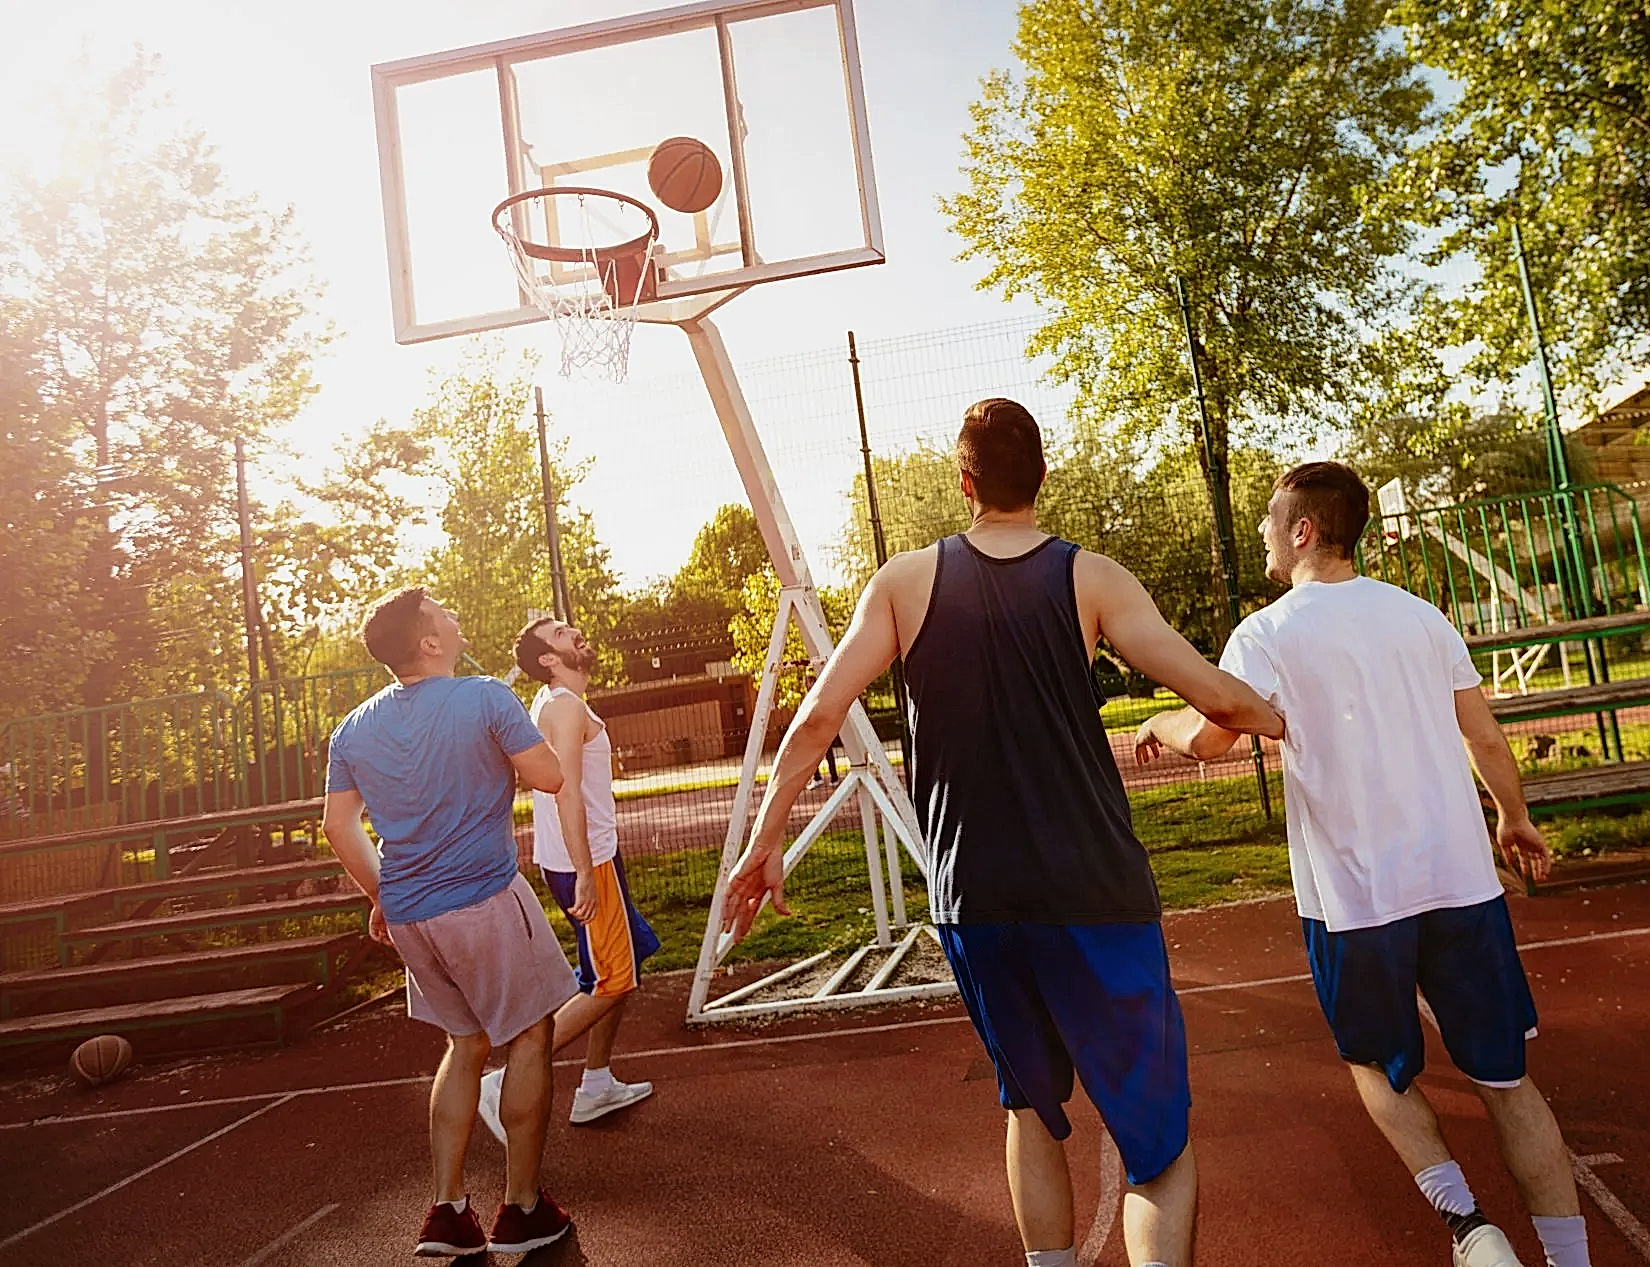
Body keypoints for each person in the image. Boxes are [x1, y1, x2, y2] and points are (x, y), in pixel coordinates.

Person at [720, 398, 1284, 1267]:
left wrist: (765, 839)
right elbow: (1217, 697)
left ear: (964, 481)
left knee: (1028, 1109)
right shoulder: (1092, 578)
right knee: (1159, 1149)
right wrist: (1285, 718)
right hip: (1095, 892)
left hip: (976, 898)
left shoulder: (903, 582)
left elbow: (819, 716)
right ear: (1042, 477)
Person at [1135, 462, 1590, 1267]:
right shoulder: (1422, 617)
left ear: (1304, 529)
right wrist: (1513, 815)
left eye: (1273, 517)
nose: (1265, 531)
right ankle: (1569, 1259)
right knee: (1507, 1080)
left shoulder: (1267, 632)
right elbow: (1484, 737)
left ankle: (1471, 1229)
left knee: (1377, 1066)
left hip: (1355, 900)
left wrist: (1159, 724)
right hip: (1460, 883)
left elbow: (1212, 737)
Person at [321, 588, 578, 1258]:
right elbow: (549, 776)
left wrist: (382, 893)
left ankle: (448, 1211)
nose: (456, 616)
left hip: (412, 916)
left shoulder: (352, 729)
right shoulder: (486, 696)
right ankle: (523, 1209)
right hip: (484, 900)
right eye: (444, 613)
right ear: (430, 642)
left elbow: (338, 826)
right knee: (529, 1035)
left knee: (464, 1043)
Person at [474, 616, 661, 1140]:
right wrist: (584, 870)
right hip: (587, 860)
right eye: (559, 633)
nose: (573, 631)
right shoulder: (563, 706)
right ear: (549, 660)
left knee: (627, 958)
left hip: (593, 856)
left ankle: (597, 1083)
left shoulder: (561, 702)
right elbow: (566, 791)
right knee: (612, 979)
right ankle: (504, 1081)